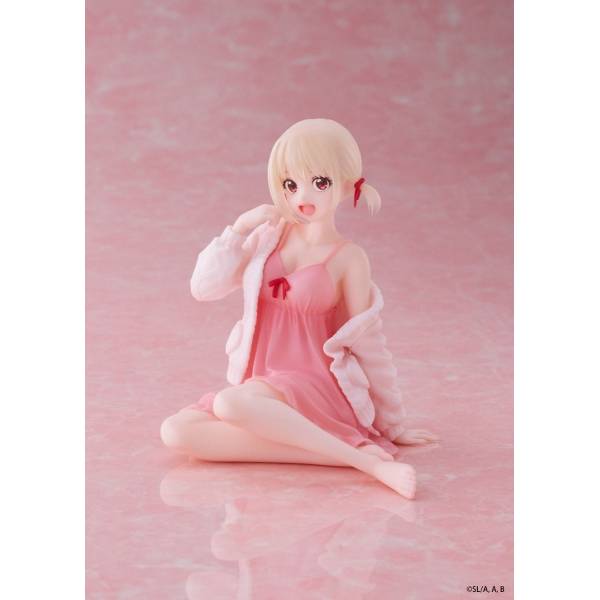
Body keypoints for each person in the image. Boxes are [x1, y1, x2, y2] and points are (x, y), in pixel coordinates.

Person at [161, 118, 437, 499]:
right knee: (177, 431)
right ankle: (350, 457)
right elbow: (203, 288)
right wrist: (238, 229)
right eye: (291, 184)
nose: (302, 195)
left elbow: (368, 344)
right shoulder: (268, 238)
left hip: (314, 385)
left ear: (347, 184)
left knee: (229, 403)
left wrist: (393, 423)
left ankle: (367, 461)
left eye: (319, 182)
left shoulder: (349, 258)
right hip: (263, 387)